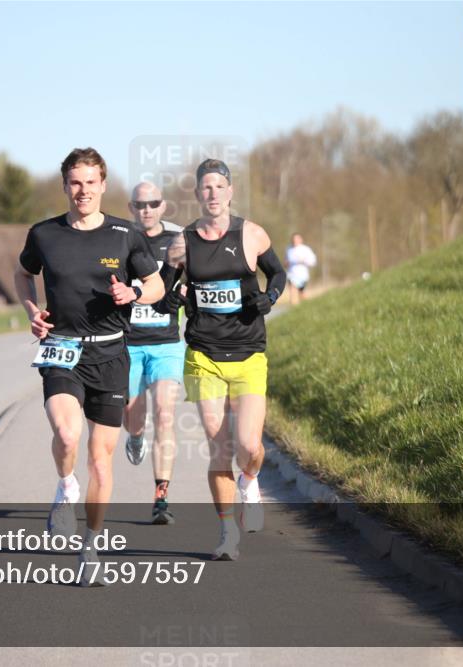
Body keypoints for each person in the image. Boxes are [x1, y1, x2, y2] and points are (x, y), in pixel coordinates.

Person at [14, 148, 163, 584]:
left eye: (91, 182)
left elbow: (154, 284)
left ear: (103, 184)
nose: (83, 191)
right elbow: (23, 273)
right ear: (65, 186)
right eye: (75, 183)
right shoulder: (44, 234)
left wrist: (134, 295)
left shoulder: (125, 235)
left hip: (112, 353)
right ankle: (65, 488)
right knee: (66, 433)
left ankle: (91, 546)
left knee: (101, 459)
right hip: (62, 348)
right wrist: (30, 309)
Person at [155, 159, 286, 561]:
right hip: (203, 355)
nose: (212, 193)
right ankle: (227, 531)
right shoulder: (183, 243)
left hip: (248, 355)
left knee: (249, 445)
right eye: (205, 188)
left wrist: (269, 299)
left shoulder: (252, 234)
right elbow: (162, 294)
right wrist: (171, 299)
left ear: (230, 192)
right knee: (219, 446)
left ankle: (250, 480)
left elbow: (278, 275)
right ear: (197, 195)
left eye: (219, 186)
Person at [123, 182, 185, 525]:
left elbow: (194, 280)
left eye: (153, 203)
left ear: (164, 206)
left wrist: (184, 294)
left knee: (164, 414)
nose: (146, 209)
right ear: (131, 207)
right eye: (140, 204)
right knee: (133, 417)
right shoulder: (120, 240)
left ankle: (161, 497)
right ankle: (134, 436)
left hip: (167, 343)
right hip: (128, 343)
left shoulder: (176, 242)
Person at [285, 233, 317, 305]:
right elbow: (286, 262)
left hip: (302, 275)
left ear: (301, 240)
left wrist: (303, 261)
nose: (295, 241)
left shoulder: (306, 249)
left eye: (297, 239)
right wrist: (286, 263)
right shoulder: (289, 249)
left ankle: (309, 306)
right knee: (293, 291)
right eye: (293, 239)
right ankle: (294, 309)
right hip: (291, 274)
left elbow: (313, 262)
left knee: (302, 294)